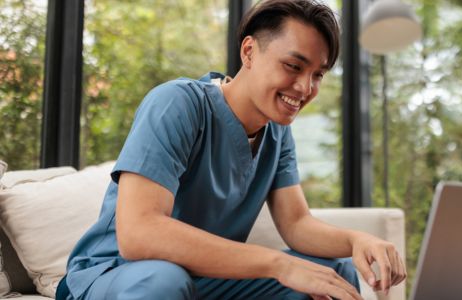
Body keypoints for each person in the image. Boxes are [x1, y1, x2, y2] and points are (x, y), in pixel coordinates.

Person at [57, 0, 406, 299]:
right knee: (164, 281)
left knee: (332, 271)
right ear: (249, 51)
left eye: (318, 74)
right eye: (293, 66)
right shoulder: (177, 104)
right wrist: (278, 264)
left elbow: (297, 223)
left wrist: (356, 240)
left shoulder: (277, 133)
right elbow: (139, 233)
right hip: (115, 275)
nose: (304, 87)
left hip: (202, 277)